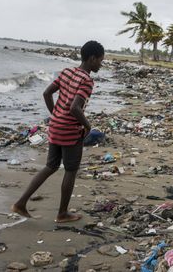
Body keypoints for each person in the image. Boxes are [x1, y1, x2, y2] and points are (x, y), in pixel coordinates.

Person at [12, 40, 104, 223]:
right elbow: (75, 108)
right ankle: (62, 213)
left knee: (51, 166)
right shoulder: (87, 80)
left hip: (55, 126)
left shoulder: (67, 71)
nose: (101, 64)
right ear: (92, 58)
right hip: (70, 131)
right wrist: (87, 126)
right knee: (70, 170)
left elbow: (47, 93)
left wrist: (55, 114)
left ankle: (20, 203)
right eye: (100, 60)